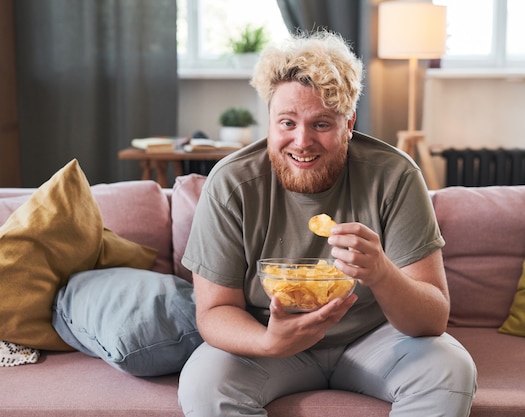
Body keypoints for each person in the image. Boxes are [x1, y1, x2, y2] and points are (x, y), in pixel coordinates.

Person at [178, 30, 476, 417]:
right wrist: (270, 342)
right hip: (269, 341)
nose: (301, 142)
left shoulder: (394, 175)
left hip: (375, 339)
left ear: (348, 123)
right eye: (287, 123)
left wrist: (382, 272)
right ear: (269, 120)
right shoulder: (232, 183)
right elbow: (214, 311)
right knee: (204, 384)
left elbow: (433, 318)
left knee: (451, 369)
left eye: (321, 124)